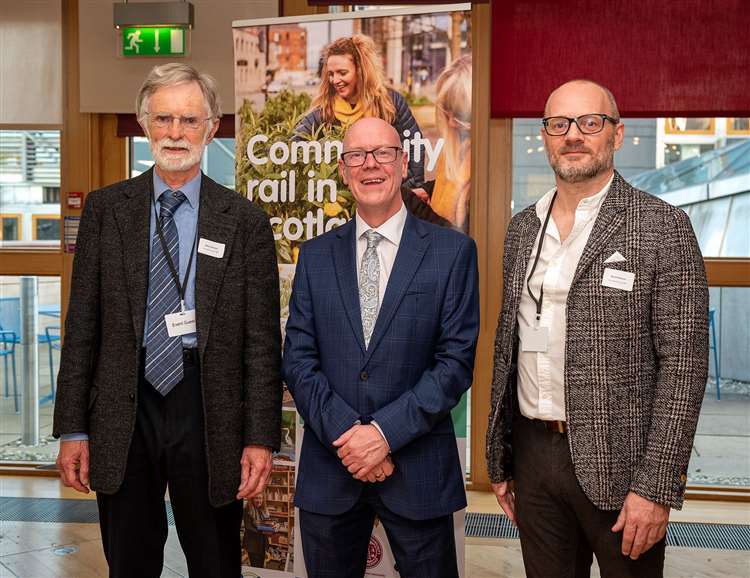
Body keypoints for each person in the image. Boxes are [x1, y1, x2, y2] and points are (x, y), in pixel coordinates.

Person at [53, 63, 282, 578]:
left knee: (216, 562)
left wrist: (260, 438)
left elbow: (263, 344)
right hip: (122, 410)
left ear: (212, 126)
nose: (175, 133)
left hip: (209, 410)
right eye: (163, 119)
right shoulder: (106, 211)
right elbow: (82, 326)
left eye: (189, 119)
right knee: (129, 563)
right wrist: (72, 427)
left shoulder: (244, 221)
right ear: (143, 123)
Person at [485, 79, 709, 578]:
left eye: (590, 123)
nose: (573, 135)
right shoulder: (522, 228)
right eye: (559, 125)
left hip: (623, 464)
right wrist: (501, 458)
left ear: (617, 133)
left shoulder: (661, 226)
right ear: (544, 135)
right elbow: (510, 344)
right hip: (533, 456)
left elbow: (685, 367)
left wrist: (656, 486)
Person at [282, 117, 479, 578]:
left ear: (403, 162)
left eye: (383, 153)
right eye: (357, 156)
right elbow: (298, 359)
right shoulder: (313, 256)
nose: (370, 165)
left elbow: (455, 364)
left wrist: (383, 435)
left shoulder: (452, 253)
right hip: (332, 470)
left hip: (419, 471)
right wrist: (352, 437)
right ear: (344, 170)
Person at [294, 34, 425, 189]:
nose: (335, 80)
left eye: (342, 73)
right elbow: (293, 148)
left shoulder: (389, 103)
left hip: (388, 197)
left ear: (360, 71)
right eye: (331, 74)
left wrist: (408, 190)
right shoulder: (323, 113)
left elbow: (414, 147)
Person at [427, 55, 472, 230]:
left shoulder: (491, 164)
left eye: (461, 115)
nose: (452, 123)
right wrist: (428, 190)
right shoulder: (453, 149)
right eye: (447, 111)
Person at [243, 494, 275, 568]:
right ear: (252, 499)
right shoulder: (247, 509)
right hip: (253, 544)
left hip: (262, 543)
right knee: (255, 566)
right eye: (256, 498)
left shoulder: (262, 509)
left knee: (261, 566)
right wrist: (265, 531)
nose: (259, 501)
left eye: (260, 498)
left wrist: (273, 526)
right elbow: (248, 527)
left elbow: (266, 523)